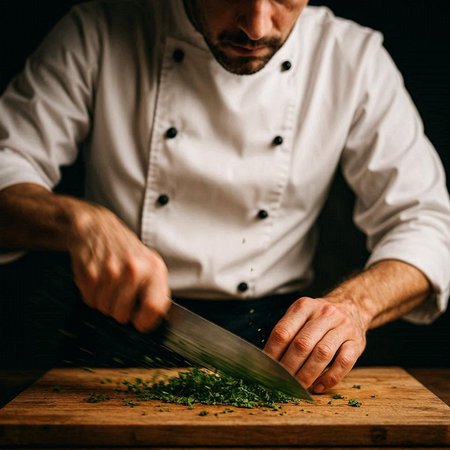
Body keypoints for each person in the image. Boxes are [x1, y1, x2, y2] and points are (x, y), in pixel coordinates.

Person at [0, 0, 449, 393]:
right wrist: (77, 222)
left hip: (273, 349)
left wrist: (357, 305)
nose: (256, 26)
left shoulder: (352, 58)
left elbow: (426, 221)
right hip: (109, 339)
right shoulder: (97, 31)